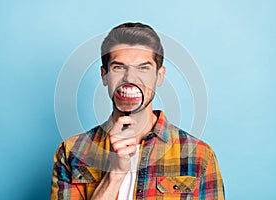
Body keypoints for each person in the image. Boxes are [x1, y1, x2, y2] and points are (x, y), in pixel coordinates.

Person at [50, 22, 225, 200]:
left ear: (159, 76)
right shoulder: (72, 152)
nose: (130, 78)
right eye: (118, 67)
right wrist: (114, 175)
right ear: (104, 75)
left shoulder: (200, 156)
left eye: (143, 68)